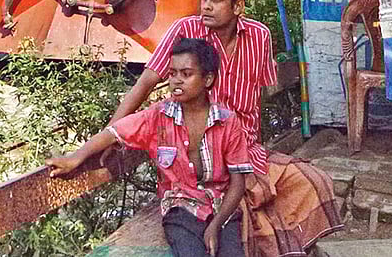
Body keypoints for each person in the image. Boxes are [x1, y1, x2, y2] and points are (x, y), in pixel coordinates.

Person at [105, 0, 342, 257]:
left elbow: (259, 95)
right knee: (245, 214)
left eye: (215, 0)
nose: (206, 6)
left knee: (312, 181)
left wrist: (246, 145)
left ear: (238, 6)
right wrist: (111, 133)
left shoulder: (259, 36)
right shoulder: (185, 31)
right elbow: (145, 82)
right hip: (200, 155)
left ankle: (295, 246)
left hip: (245, 149)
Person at [47, 38, 251, 257]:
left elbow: (237, 183)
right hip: (181, 207)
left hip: (221, 208)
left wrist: (216, 225)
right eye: (172, 74)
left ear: (207, 79)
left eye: (186, 74)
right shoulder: (158, 116)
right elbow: (114, 132)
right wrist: (76, 157)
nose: (177, 81)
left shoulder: (227, 122)